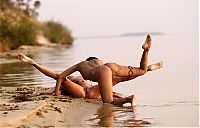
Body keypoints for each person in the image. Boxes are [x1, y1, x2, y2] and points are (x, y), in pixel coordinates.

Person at [53, 35, 163, 106]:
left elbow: (61, 77)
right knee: (142, 70)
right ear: (95, 60)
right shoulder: (98, 61)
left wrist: (56, 93)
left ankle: (129, 99)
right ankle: (146, 51)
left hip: (102, 73)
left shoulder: (80, 65)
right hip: (110, 66)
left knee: (108, 102)